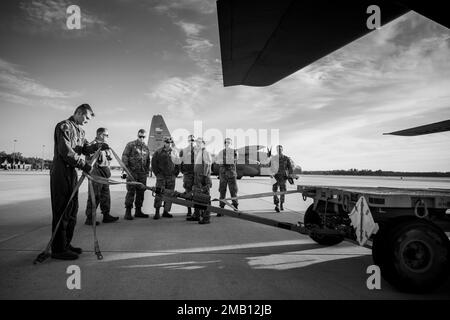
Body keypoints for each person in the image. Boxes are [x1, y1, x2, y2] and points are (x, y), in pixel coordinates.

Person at [50, 104, 108, 260]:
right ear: (78, 113)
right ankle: (58, 249)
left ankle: (66, 244)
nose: (87, 122)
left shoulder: (80, 131)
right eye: (86, 118)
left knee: (72, 210)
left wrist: (98, 146)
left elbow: (85, 148)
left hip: (72, 172)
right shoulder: (64, 126)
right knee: (62, 209)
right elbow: (65, 151)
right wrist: (84, 165)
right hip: (61, 172)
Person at [85, 128, 119, 225]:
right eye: (106, 135)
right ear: (100, 134)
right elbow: (89, 159)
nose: (107, 137)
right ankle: (90, 218)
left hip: (104, 174)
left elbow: (109, 159)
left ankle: (106, 215)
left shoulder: (106, 146)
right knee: (94, 196)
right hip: (96, 174)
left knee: (105, 196)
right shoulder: (92, 145)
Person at [122, 129, 151, 220]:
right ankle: (128, 212)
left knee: (141, 192)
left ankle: (138, 211)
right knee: (131, 191)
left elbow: (148, 161)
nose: (142, 138)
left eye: (144, 137)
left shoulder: (146, 147)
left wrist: (146, 172)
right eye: (140, 136)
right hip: (132, 173)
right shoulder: (131, 145)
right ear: (137, 136)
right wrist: (126, 170)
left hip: (142, 174)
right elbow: (125, 156)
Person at [151, 136, 181, 219]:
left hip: (171, 177)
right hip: (161, 177)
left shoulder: (175, 152)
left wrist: (175, 174)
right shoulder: (158, 152)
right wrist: (158, 174)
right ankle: (157, 212)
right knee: (159, 194)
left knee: (169, 195)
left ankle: (166, 211)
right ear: (164, 143)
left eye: (170, 143)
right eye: (167, 142)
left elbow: (178, 164)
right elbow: (154, 164)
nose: (169, 144)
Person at [215, 138, 239, 214]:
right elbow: (217, 161)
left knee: (233, 191)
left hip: (231, 174)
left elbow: (233, 160)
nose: (227, 143)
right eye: (226, 142)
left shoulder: (235, 151)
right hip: (223, 174)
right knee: (222, 191)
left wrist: (223, 161)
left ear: (231, 144)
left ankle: (235, 206)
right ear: (224, 143)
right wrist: (221, 161)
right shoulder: (221, 152)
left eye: (229, 142)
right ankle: (221, 208)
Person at [193, 137, 213, 224]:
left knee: (205, 198)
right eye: (197, 142)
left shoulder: (205, 152)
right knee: (197, 197)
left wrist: (205, 179)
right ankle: (197, 215)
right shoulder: (199, 153)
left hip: (203, 179)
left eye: (200, 142)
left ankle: (206, 218)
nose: (198, 144)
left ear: (204, 144)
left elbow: (207, 166)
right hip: (198, 178)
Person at [270, 145, 294, 212]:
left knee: (282, 191)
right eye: (278, 149)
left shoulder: (286, 158)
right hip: (275, 177)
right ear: (276, 150)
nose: (279, 150)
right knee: (274, 191)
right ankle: (276, 204)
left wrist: (290, 176)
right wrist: (271, 174)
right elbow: (270, 167)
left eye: (280, 149)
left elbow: (290, 168)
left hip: (283, 177)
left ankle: (281, 204)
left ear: (282, 150)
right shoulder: (273, 158)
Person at [179, 134, 197, 219]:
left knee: (197, 193)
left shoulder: (199, 150)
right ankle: (189, 211)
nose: (192, 142)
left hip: (197, 175)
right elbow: (180, 163)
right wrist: (185, 172)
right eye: (190, 140)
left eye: (193, 140)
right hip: (188, 175)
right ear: (188, 141)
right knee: (188, 194)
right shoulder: (183, 151)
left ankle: (197, 211)